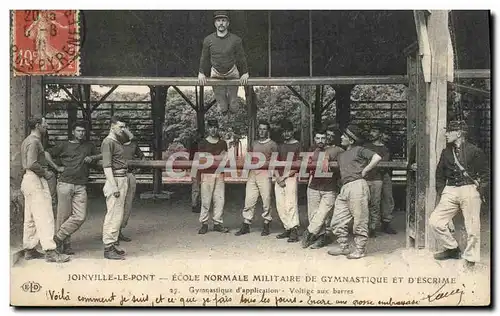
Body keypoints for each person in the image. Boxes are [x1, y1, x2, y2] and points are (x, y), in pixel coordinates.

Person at [429, 120, 489, 270]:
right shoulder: (446, 152)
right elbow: (440, 174)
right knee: (435, 221)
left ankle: (470, 258)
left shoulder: (475, 151)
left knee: (472, 226)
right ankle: (452, 248)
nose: (446, 134)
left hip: (469, 189)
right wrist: (442, 192)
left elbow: (486, 174)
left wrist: (479, 191)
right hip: (450, 190)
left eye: (450, 131)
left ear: (459, 133)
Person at [327, 125, 382, 259]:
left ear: (351, 140)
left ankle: (360, 249)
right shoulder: (341, 155)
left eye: (344, 136)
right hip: (345, 188)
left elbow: (376, 157)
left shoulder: (359, 150)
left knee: (360, 220)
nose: (341, 137)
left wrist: (365, 170)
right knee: (337, 220)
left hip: (358, 186)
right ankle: (343, 247)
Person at [20, 116, 70, 263]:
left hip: (28, 180)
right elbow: (31, 163)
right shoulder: (35, 141)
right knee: (45, 216)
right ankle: (50, 251)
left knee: (30, 217)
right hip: (35, 179)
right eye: (44, 123)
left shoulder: (27, 140)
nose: (46, 125)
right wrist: (46, 173)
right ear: (37, 125)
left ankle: (29, 249)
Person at [47, 121, 101, 255]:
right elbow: (46, 153)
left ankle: (58, 238)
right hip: (65, 183)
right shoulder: (64, 145)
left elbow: (102, 155)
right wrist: (56, 167)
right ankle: (64, 246)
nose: (81, 133)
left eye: (83, 131)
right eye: (78, 131)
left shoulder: (89, 146)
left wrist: (92, 157)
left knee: (80, 216)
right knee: (63, 216)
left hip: (81, 185)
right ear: (73, 132)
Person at [198, 10, 249, 114]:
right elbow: (204, 57)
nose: (221, 23)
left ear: (228, 23)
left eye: (223, 20)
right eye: (218, 21)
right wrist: (201, 72)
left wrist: (245, 73)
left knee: (234, 104)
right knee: (222, 106)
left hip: (232, 72)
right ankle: (225, 112)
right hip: (216, 73)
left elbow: (241, 57)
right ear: (215, 23)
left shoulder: (236, 40)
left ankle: (233, 113)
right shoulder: (208, 40)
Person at [302, 128, 344, 249]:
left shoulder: (339, 150)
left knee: (322, 214)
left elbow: (342, 167)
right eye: (318, 138)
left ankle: (308, 233)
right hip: (314, 185)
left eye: (323, 138)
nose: (321, 141)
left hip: (329, 187)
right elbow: (306, 165)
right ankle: (321, 237)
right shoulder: (312, 150)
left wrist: (328, 159)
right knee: (313, 214)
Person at [235, 120, 278, 236]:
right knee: (249, 199)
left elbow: (274, 161)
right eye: (260, 129)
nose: (262, 131)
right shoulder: (254, 143)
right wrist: (247, 173)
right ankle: (246, 223)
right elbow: (249, 159)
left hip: (264, 174)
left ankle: (266, 223)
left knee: (266, 200)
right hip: (253, 173)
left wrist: (270, 174)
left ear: (268, 131)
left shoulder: (273, 144)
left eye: (264, 129)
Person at [101, 116, 129, 260]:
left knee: (118, 214)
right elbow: (107, 166)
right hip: (115, 180)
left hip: (122, 178)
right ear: (112, 127)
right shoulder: (108, 142)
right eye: (120, 127)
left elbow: (130, 136)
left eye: (124, 127)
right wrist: (114, 186)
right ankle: (108, 247)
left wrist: (123, 130)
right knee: (113, 214)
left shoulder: (117, 140)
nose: (123, 130)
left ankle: (111, 245)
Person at [197, 119, 230, 234]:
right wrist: (217, 157)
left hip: (219, 173)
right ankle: (204, 223)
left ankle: (217, 223)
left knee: (219, 199)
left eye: (215, 127)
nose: (213, 129)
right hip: (206, 174)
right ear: (208, 128)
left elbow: (225, 158)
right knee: (206, 200)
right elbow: (202, 158)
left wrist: (210, 156)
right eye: (211, 127)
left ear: (218, 128)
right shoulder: (202, 143)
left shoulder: (223, 143)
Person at [274, 120, 301, 243]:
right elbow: (274, 163)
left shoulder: (297, 145)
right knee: (280, 205)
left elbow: (298, 165)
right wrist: (278, 177)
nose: (286, 134)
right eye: (284, 131)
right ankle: (287, 228)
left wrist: (284, 177)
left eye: (288, 131)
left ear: (292, 131)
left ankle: (294, 229)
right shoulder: (279, 146)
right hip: (278, 177)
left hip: (290, 177)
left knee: (290, 204)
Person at [363, 124, 392, 237]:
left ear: (380, 134)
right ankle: (368, 225)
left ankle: (381, 224)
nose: (372, 133)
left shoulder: (385, 148)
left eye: (374, 131)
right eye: (371, 131)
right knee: (368, 201)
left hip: (382, 175)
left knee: (384, 199)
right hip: (369, 175)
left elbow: (384, 163)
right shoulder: (366, 146)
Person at [120, 125, 146, 242]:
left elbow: (143, 158)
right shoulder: (113, 144)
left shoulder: (133, 145)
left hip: (129, 175)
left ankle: (120, 229)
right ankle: (112, 232)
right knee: (116, 205)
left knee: (127, 205)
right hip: (117, 176)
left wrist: (138, 167)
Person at [380, 130, 397, 234]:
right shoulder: (367, 146)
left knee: (387, 199)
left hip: (385, 175)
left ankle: (386, 224)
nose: (386, 137)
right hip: (372, 175)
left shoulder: (389, 147)